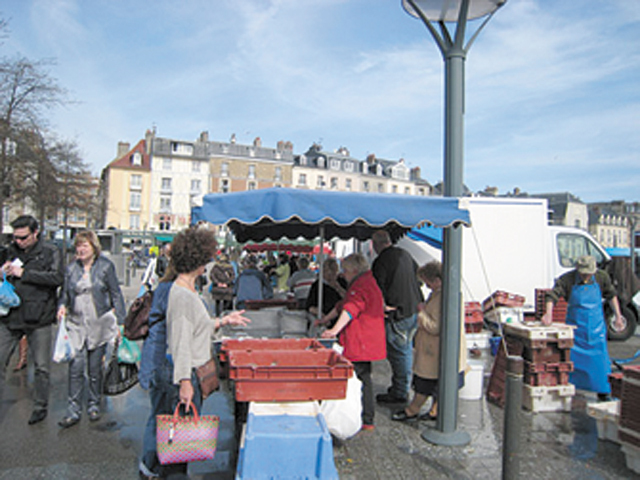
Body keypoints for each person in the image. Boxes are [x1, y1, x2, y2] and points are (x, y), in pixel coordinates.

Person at [153, 226, 248, 478]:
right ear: (196, 260)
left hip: (188, 372)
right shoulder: (183, 295)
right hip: (187, 374)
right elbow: (180, 343)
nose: (208, 263)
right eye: (206, 258)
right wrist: (185, 382)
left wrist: (224, 321)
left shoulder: (185, 289)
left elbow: (198, 327)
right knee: (180, 446)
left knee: (180, 444)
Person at [57, 230, 126, 428]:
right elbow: (64, 294)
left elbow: (116, 294)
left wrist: (120, 322)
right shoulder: (71, 269)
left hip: (99, 324)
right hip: (76, 324)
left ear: (93, 247)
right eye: (78, 246)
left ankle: (94, 404)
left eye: (84, 246)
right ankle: (73, 410)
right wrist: (61, 306)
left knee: (95, 369)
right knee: (75, 369)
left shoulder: (105, 266)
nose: (80, 249)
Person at [0, 215, 63, 425]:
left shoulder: (50, 251)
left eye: (23, 237)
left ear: (35, 233)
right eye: (15, 237)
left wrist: (24, 273)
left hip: (40, 316)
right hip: (11, 315)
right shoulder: (10, 250)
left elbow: (56, 278)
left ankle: (40, 406)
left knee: (42, 367)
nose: (18, 241)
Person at [391, 261, 467, 422]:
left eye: (428, 282)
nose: (427, 286)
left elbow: (435, 327)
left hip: (435, 352)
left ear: (437, 280)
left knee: (425, 384)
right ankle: (434, 411)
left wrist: (421, 312)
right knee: (436, 385)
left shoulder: (443, 298)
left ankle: (413, 410)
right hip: (437, 352)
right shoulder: (445, 294)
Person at [542, 255, 624, 401]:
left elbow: (611, 295)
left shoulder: (602, 277)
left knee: (600, 364)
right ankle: (571, 389)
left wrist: (618, 316)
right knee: (573, 363)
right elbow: (552, 295)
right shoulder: (567, 279)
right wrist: (548, 313)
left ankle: (603, 392)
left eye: (589, 273)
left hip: (596, 330)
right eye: (584, 273)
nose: (586, 276)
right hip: (576, 330)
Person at [321, 253, 386, 431]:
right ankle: (366, 418)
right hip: (367, 339)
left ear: (355, 270)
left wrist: (334, 330)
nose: (343, 274)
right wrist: (327, 318)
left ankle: (363, 418)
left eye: (346, 271)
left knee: (360, 378)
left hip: (360, 339)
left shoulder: (362, 284)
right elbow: (344, 304)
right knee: (363, 377)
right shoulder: (365, 281)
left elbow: (351, 308)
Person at [371, 230, 423, 404]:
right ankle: (403, 387)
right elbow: (420, 277)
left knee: (400, 352)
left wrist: (384, 306)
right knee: (405, 348)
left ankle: (401, 391)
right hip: (414, 309)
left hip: (398, 312)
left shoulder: (381, 261)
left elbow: (378, 290)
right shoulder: (405, 254)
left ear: (376, 244)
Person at [307, 257, 347, 325]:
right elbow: (310, 306)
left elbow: (348, 298)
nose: (332, 276)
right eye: (329, 274)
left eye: (334, 273)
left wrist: (338, 288)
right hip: (324, 318)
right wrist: (321, 314)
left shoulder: (341, 282)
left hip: (340, 318)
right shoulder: (317, 286)